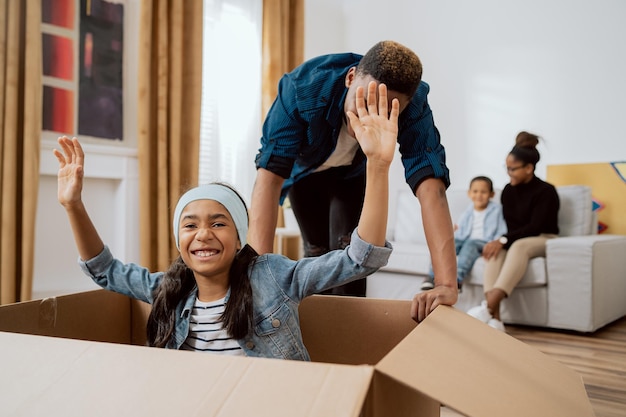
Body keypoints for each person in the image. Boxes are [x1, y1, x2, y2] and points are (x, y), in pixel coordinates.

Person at [53, 80, 397, 359]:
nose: (203, 234)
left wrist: (377, 166)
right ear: (179, 240)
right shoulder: (166, 291)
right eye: (190, 225)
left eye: (218, 223)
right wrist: (73, 205)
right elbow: (105, 270)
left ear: (239, 237)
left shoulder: (275, 278)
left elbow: (358, 259)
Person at [249, 40, 458, 315]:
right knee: (318, 255)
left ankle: (348, 342)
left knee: (352, 261)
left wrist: (445, 284)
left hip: (352, 174)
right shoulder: (303, 88)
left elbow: (431, 187)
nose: (368, 118)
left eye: (383, 111)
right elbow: (270, 177)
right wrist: (256, 280)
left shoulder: (413, 103)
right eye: (365, 102)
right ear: (350, 77)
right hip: (305, 176)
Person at [467, 132, 560, 331]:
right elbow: (508, 227)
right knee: (493, 251)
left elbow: (535, 227)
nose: (508, 173)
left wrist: (503, 239)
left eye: (513, 169)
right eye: (506, 168)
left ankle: (488, 306)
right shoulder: (508, 192)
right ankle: (496, 320)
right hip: (515, 238)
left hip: (543, 238)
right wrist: (498, 241)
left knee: (516, 245)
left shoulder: (546, 192)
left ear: (529, 168)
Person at [420, 176, 507, 292]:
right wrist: (453, 231)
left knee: (470, 245)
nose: (479, 195)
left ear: (491, 194)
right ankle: (432, 276)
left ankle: (458, 279)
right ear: (469, 193)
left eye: (483, 192)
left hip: (484, 241)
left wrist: (497, 241)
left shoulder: (497, 210)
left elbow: (502, 229)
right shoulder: (469, 210)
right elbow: (460, 226)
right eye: (475, 191)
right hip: (465, 238)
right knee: (448, 245)